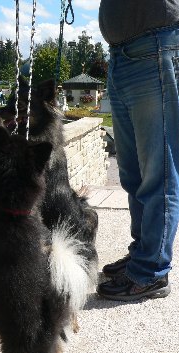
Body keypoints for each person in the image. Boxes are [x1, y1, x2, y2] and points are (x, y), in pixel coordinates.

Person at [97, 0, 179, 301]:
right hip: (124, 54)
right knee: (133, 174)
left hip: (154, 47)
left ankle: (151, 272)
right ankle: (143, 256)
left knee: (159, 175)